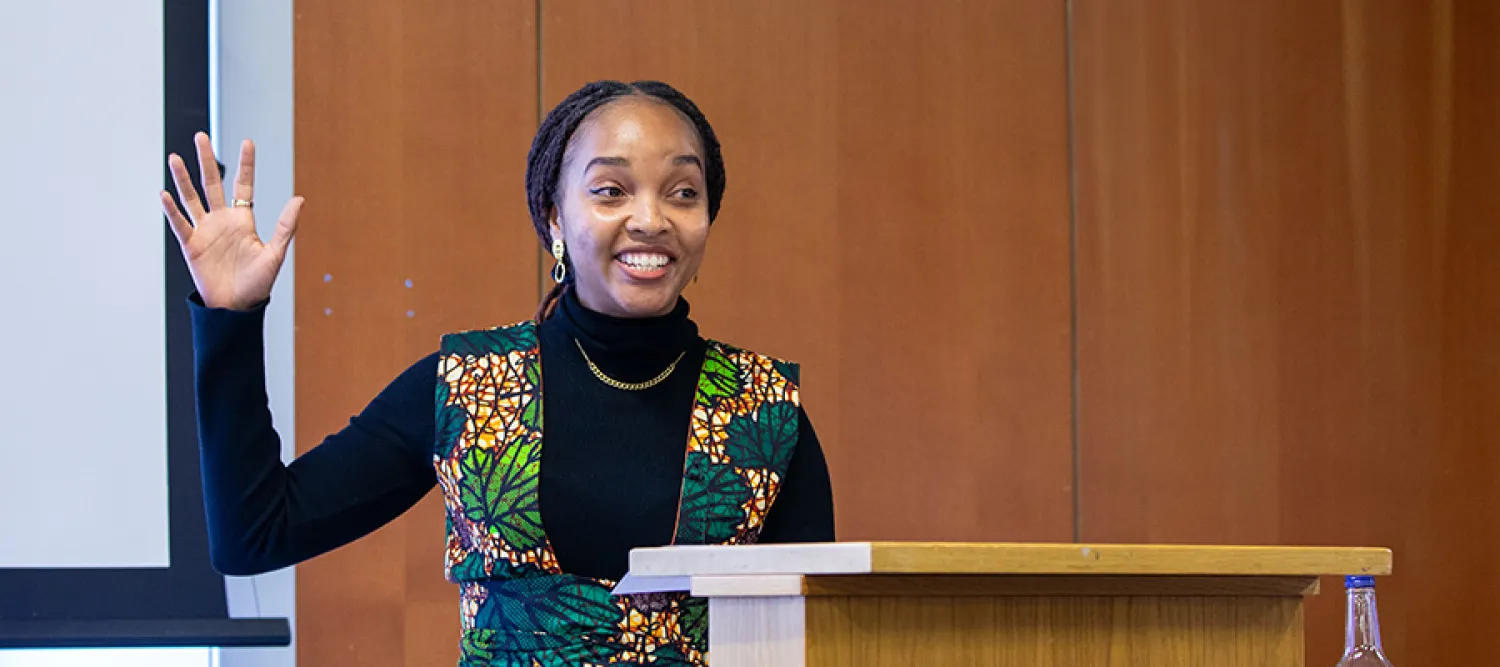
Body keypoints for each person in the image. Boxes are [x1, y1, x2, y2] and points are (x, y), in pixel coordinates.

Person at [162, 80, 835, 666]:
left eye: (683, 192)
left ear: (707, 217)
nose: (650, 219)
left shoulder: (765, 414)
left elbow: (817, 639)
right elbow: (254, 533)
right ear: (553, 218)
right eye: (610, 190)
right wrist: (230, 318)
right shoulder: (468, 387)